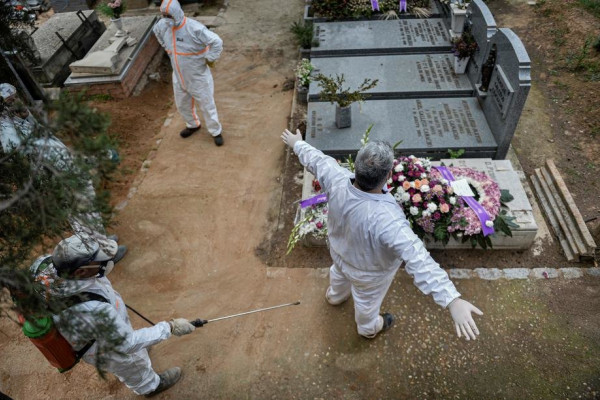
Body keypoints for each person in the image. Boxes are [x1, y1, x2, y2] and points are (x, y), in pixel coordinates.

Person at [281, 129, 483, 340]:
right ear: (388, 176)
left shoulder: (336, 177)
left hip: (339, 253)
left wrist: (297, 143)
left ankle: (335, 297)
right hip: (368, 274)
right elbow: (417, 257)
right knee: (366, 305)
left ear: (356, 166)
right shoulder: (387, 219)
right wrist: (452, 299)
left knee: (339, 275)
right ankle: (369, 328)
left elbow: (316, 159)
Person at [32, 235, 196, 397]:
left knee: (134, 347)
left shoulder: (47, 265)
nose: (107, 262)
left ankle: (143, 353)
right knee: (131, 362)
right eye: (99, 260)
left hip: (98, 325)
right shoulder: (92, 309)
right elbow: (126, 344)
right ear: (80, 271)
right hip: (104, 347)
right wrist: (170, 327)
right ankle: (151, 386)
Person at [0, 83, 125, 251]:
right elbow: (22, 161)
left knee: (88, 207)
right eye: (10, 100)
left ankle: (101, 241)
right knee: (81, 212)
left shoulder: (21, 116)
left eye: (16, 96)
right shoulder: (8, 133)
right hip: (56, 177)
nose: (16, 101)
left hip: (66, 166)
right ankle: (103, 252)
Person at [153, 0, 225, 146]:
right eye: (164, 15)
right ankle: (193, 124)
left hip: (197, 76)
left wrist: (210, 58)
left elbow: (216, 42)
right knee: (182, 104)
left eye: (169, 15)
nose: (167, 19)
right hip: (178, 76)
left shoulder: (194, 28)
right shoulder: (163, 25)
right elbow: (157, 33)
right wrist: (168, 50)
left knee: (207, 104)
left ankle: (215, 131)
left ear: (177, 13)